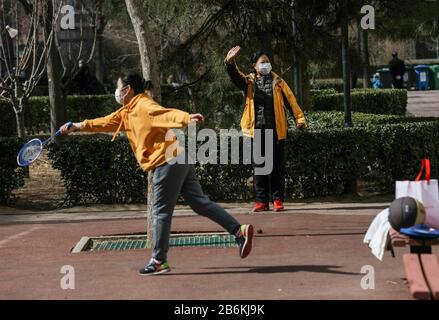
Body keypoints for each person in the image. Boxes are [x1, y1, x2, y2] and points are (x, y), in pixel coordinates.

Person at [60, 73, 254, 276]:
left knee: (160, 212)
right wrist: (78, 126)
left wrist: (186, 118)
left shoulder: (143, 105)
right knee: (200, 203)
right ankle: (238, 231)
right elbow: (106, 122)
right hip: (179, 157)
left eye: (118, 88)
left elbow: (165, 114)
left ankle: (159, 260)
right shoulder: (128, 111)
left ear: (128, 90)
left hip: (166, 161)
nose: (116, 92)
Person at [224, 46, 307, 213]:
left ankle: (277, 200)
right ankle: (261, 201)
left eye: (268, 62)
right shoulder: (248, 82)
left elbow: (291, 101)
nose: (266, 65)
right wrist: (230, 63)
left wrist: (300, 118)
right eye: (262, 62)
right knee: (260, 167)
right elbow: (236, 77)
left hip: (277, 130)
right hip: (257, 129)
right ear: (254, 66)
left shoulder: (279, 82)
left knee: (277, 166)